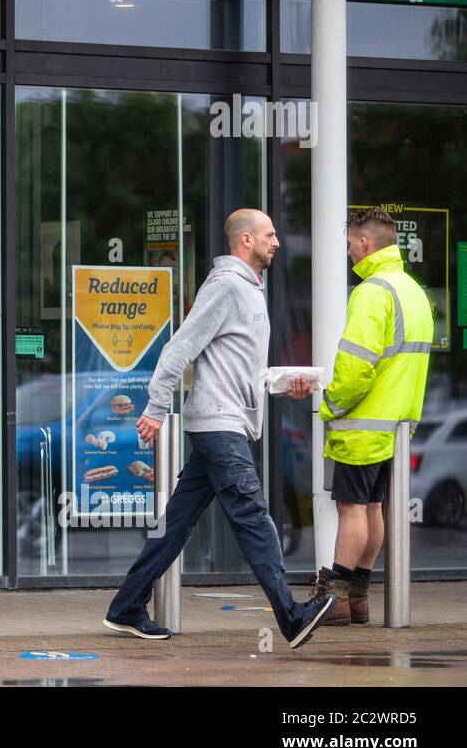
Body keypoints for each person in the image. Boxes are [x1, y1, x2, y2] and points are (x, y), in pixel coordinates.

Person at [103, 208, 337, 649]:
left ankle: (126, 606)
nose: (277, 242)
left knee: (176, 524)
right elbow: (181, 345)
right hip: (219, 425)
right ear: (245, 240)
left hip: (227, 420)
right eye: (269, 234)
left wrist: (283, 383)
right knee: (253, 515)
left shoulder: (250, 289)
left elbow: (236, 364)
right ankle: (290, 616)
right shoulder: (227, 285)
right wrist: (155, 407)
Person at [307, 207, 432, 624]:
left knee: (351, 508)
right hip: (395, 426)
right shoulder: (413, 292)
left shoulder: (371, 292)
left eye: (348, 246)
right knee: (373, 508)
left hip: (362, 425)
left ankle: (337, 600)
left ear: (364, 243)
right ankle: (358, 598)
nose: (347, 254)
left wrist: (329, 404)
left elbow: (356, 367)